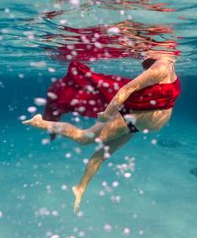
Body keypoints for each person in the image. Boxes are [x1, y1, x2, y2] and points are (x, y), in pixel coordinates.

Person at [23, 50, 180, 212]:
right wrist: (106, 117)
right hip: (127, 119)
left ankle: (80, 188)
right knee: (83, 138)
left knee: (100, 156)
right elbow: (125, 91)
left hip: (136, 125)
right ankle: (40, 123)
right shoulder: (161, 69)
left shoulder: (168, 67)